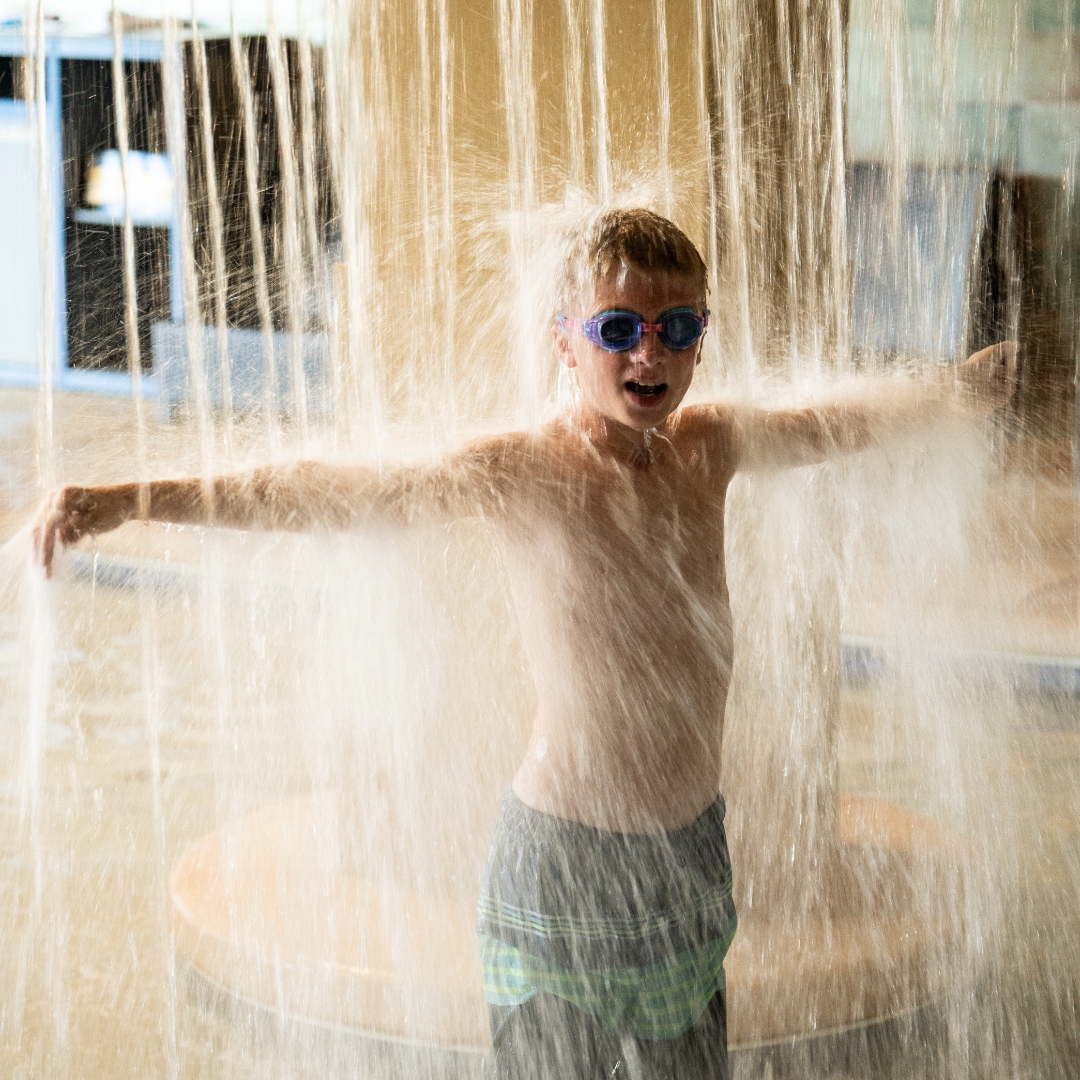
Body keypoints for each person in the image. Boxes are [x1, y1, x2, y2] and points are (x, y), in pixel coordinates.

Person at [32, 208, 1016, 1079]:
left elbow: (832, 424)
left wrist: (952, 392)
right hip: (559, 863)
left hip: (690, 856)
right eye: (618, 330)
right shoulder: (524, 471)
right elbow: (331, 488)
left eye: (678, 330)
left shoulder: (708, 445)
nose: (650, 356)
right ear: (564, 341)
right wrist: (132, 499)